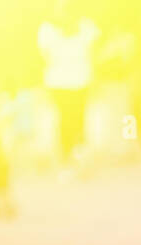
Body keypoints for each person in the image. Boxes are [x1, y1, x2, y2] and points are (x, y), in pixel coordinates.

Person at [37, 5, 99, 164]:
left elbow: (93, 54)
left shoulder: (86, 26)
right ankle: (67, 155)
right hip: (59, 81)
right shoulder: (47, 29)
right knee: (66, 117)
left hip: (80, 79)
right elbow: (44, 58)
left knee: (77, 117)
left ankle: (78, 155)